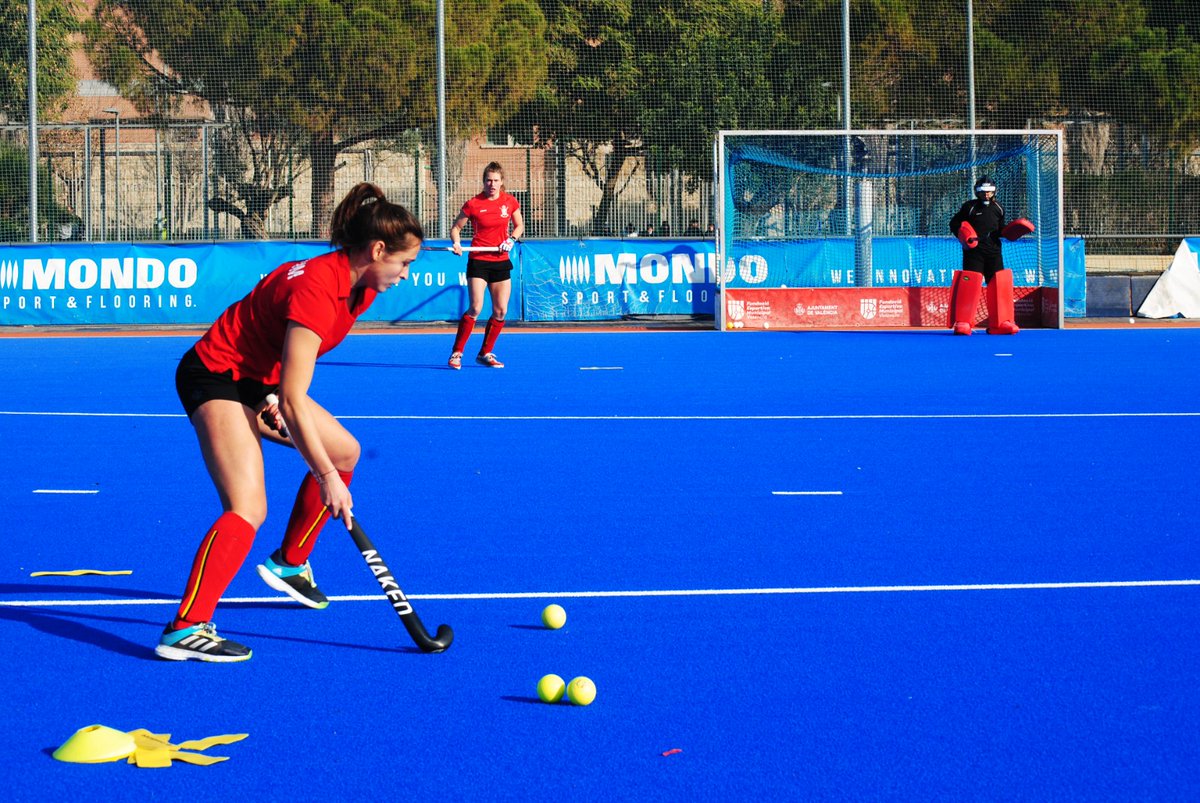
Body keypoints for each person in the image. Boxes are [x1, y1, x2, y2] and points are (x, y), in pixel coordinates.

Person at [155, 183, 424, 662]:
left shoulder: (358, 288)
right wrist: (325, 478)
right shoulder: (319, 289)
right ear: (377, 250)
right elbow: (297, 402)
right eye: (404, 263)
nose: (406, 275)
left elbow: (283, 367)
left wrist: (275, 394)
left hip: (259, 381)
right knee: (247, 507)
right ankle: (185, 628)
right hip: (216, 375)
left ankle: (289, 564)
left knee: (345, 451)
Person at [448, 162, 525, 369]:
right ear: (483, 182)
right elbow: (455, 228)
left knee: (500, 311)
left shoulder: (510, 201)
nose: (492, 184)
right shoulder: (473, 203)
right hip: (479, 261)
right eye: (488, 180)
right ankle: (457, 353)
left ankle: (485, 353)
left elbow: (519, 225)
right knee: (475, 307)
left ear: (502, 182)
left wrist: (511, 239)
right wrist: (456, 243)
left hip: (501, 261)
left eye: (496, 180)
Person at [947, 175, 1019, 335]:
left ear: (994, 191)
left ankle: (1000, 323)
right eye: (983, 191)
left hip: (994, 252)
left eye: (990, 191)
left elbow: (1000, 229)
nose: (986, 194)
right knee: (970, 284)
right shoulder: (969, 207)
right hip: (974, 253)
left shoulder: (999, 208)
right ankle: (963, 322)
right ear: (977, 192)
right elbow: (954, 223)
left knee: (998, 284)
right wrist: (963, 235)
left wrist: (1011, 231)